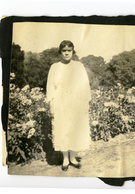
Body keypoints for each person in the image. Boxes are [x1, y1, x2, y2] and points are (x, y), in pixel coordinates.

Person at [46, 40, 91, 171]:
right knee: (63, 129)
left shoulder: (79, 66)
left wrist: (86, 102)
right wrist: (52, 104)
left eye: (69, 51)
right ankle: (65, 159)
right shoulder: (54, 67)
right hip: (61, 102)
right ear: (60, 52)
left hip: (76, 102)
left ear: (73, 51)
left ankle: (73, 158)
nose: (66, 53)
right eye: (64, 51)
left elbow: (85, 85)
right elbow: (50, 86)